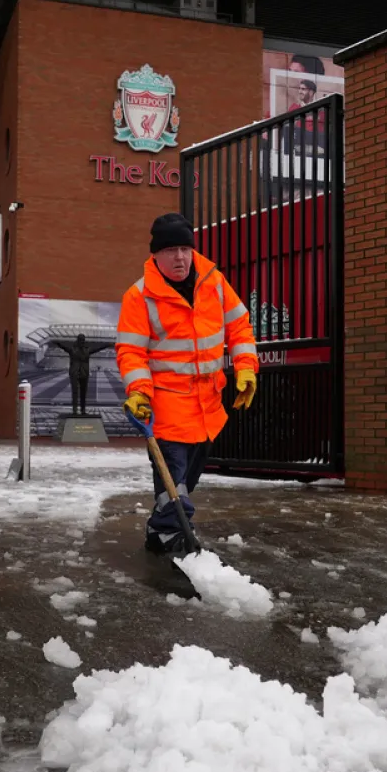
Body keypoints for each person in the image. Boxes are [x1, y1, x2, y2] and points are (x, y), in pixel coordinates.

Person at [116, 213, 258, 556]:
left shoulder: (215, 282)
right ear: (155, 255)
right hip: (166, 407)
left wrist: (246, 367)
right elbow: (131, 352)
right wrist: (138, 392)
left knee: (188, 478)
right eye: (171, 250)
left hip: (207, 403)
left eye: (185, 248)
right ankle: (175, 534)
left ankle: (159, 528)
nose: (180, 257)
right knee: (173, 479)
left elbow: (239, 326)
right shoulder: (139, 297)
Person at [52, 334, 113, 416]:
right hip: (75, 373)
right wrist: (57, 343)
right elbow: (63, 347)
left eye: (83, 340)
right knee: (75, 392)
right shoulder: (72, 349)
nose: (82, 341)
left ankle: (82, 411)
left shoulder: (86, 350)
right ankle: (75, 411)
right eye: (81, 340)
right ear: (78, 340)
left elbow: (97, 349)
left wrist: (106, 345)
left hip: (84, 373)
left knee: (83, 393)